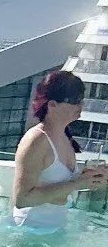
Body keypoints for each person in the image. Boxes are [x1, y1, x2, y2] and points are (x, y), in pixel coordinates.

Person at [12, 68, 107, 231]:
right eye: (75, 100)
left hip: (51, 229)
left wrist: (89, 178)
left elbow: (63, 185)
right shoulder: (37, 140)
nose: (81, 105)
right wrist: (77, 183)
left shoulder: (64, 137)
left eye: (81, 99)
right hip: (30, 228)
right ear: (52, 105)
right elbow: (22, 199)